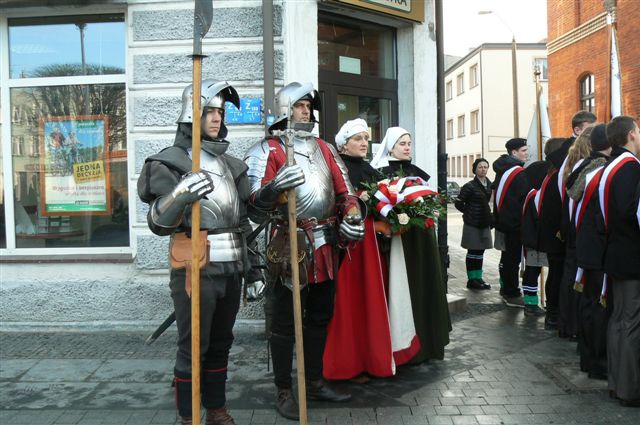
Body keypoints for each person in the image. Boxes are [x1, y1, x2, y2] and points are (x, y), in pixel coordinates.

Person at [137, 80, 261, 425]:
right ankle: (188, 415)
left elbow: (244, 221)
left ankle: (216, 409)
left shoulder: (232, 165)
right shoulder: (170, 162)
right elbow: (158, 224)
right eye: (209, 111)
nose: (216, 118)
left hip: (232, 265)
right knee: (193, 345)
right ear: (190, 114)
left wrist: (254, 270)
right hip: (194, 265)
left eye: (220, 112)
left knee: (222, 342)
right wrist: (180, 194)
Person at [244, 82, 365, 420]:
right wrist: (274, 187)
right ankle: (284, 389)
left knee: (320, 317)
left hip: (326, 244)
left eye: (308, 105)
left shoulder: (325, 149)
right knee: (284, 323)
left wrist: (352, 215)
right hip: (288, 245)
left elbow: (346, 192)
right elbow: (253, 203)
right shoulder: (267, 150)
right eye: (299, 106)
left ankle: (313, 382)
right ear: (286, 108)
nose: (306, 111)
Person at [370, 126, 451, 364]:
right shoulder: (380, 173)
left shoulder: (417, 173)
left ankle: (428, 343)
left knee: (424, 286)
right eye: (402, 143)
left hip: (422, 239)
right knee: (403, 288)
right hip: (399, 240)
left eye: (409, 143)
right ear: (391, 147)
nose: (407, 147)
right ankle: (404, 346)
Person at [323, 118, 396, 380]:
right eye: (358, 139)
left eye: (366, 138)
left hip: (371, 248)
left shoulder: (373, 171)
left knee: (371, 300)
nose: (364, 143)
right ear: (343, 145)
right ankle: (347, 361)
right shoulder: (336, 169)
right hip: (348, 247)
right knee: (348, 301)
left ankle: (373, 356)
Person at [599, 116, 640, 407]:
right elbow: (631, 212)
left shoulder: (610, 166)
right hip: (631, 254)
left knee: (619, 319)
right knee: (630, 321)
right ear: (631, 135)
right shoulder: (629, 168)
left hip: (616, 251)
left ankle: (617, 382)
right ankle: (629, 388)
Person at [568, 124, 611, 379]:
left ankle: (587, 357)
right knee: (598, 305)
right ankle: (597, 361)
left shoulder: (583, 166)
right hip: (597, 246)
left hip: (583, 243)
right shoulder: (602, 168)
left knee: (588, 303)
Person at [519, 138, 566, 317]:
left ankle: (540, 302)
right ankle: (530, 303)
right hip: (535, 238)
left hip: (537, 236)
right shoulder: (535, 193)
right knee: (533, 269)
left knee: (540, 269)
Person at [558, 126, 595, 339]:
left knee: (570, 277)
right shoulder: (586, 167)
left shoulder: (574, 164)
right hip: (578, 232)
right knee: (575, 279)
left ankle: (568, 324)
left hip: (572, 230)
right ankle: (571, 325)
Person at [492, 138, 531, 308]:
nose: (527, 153)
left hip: (503, 221)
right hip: (514, 224)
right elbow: (524, 199)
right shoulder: (518, 173)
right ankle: (511, 293)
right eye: (523, 150)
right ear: (513, 153)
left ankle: (506, 288)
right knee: (512, 259)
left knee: (506, 258)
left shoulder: (503, 169)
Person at [454, 158, 492, 290]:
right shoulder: (469, 186)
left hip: (484, 222)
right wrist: (468, 212)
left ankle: (478, 277)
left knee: (480, 251)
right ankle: (471, 279)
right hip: (472, 223)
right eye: (480, 167)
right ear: (475, 169)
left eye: (485, 167)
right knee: (472, 251)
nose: (483, 169)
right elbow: (458, 203)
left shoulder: (489, 184)